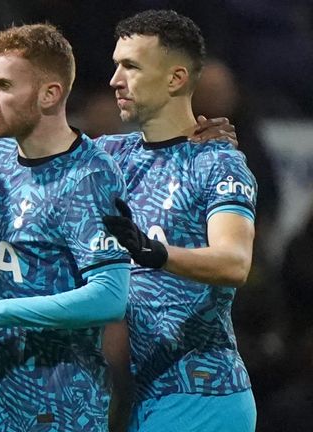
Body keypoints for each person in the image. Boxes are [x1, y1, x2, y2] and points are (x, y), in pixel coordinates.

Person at [0, 24, 132, 432]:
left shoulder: (88, 177)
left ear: (50, 94)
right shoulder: (6, 152)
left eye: (4, 86)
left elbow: (110, 298)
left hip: (55, 408)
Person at [97, 10, 257, 432]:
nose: (115, 79)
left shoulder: (217, 162)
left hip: (202, 393)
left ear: (175, 79)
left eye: (130, 66)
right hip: (138, 393)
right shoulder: (110, 156)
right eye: (116, 65)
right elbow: (16, 158)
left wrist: (153, 252)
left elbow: (234, 261)